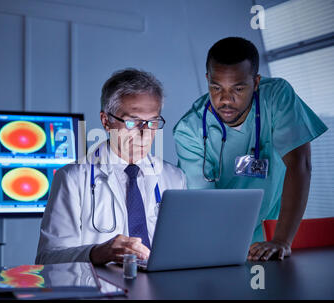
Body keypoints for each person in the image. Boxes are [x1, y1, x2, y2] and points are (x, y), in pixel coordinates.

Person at [173, 37, 328, 261]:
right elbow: (204, 203)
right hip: (223, 241)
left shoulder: (276, 97)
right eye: (216, 87)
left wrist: (281, 240)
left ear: (255, 82)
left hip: (275, 236)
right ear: (207, 80)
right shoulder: (190, 129)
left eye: (238, 88)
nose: (225, 100)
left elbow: (299, 164)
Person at [36, 68, 187, 265]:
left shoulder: (175, 177)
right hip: (104, 292)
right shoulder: (72, 178)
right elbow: (46, 259)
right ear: (106, 121)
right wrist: (96, 253)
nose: (145, 133)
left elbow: (184, 248)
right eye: (133, 122)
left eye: (152, 122)